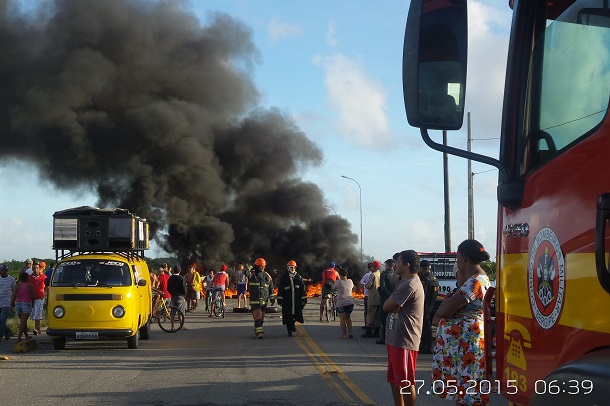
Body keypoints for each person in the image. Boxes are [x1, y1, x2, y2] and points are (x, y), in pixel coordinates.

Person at [431, 239, 492, 406]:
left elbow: (444, 310)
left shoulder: (475, 281)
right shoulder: (478, 279)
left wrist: (444, 304)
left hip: (467, 344)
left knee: (469, 392)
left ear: (464, 257)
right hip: (465, 343)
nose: (457, 260)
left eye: (457, 256)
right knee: (465, 392)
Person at [383, 250, 424, 406]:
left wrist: (393, 305)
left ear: (407, 265)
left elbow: (387, 306)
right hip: (395, 339)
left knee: (405, 382)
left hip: (405, 341)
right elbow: (392, 306)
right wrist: (394, 305)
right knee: (394, 380)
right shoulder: (403, 282)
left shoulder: (410, 284)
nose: (395, 264)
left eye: (398, 261)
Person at [276, 260, 307, 336]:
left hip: (296, 302)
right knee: (288, 316)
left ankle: (292, 326)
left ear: (295, 268)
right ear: (287, 268)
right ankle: (289, 331)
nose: (292, 268)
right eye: (290, 267)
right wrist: (280, 299)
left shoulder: (298, 278)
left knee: (296, 315)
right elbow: (280, 289)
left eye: (293, 267)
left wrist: (304, 299)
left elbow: (302, 289)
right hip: (287, 302)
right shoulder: (284, 278)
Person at [247, 258, 275, 339]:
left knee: (261, 318)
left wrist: (272, 298)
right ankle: (260, 333)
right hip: (255, 300)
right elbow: (245, 272)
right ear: (256, 266)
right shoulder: (252, 275)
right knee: (258, 316)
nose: (262, 268)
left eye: (263, 267)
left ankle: (257, 329)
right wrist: (249, 268)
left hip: (264, 300)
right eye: (260, 267)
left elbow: (271, 288)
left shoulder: (267, 276)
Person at [377, 258, 400, 344]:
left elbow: (383, 288)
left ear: (387, 265)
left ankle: (384, 338)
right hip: (396, 299)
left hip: (385, 299)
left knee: (384, 319)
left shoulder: (384, 274)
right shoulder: (398, 275)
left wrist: (390, 296)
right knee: (393, 319)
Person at [418, 259, 439, 353]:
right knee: (427, 325)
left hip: (424, 305)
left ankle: (426, 346)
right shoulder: (434, 278)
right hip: (431, 304)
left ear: (422, 268)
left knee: (425, 326)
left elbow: (422, 294)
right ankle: (428, 345)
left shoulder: (424, 279)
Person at [11, 272, 35, 342]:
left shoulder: (17, 285)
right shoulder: (30, 286)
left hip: (18, 304)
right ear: (27, 278)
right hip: (27, 304)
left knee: (23, 321)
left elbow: (13, 295)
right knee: (23, 322)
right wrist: (33, 304)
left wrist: (11, 304)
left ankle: (27, 336)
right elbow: (33, 297)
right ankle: (19, 338)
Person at [334, 266, 355, 339]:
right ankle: (350, 333)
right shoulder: (350, 281)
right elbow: (352, 287)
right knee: (348, 318)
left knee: (342, 319)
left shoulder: (338, 282)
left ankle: (344, 334)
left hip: (341, 303)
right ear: (347, 274)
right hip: (350, 303)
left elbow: (333, 288)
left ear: (339, 274)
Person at [362, 260, 382, 338]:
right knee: (377, 316)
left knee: (370, 315)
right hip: (379, 298)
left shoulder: (372, 275)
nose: (371, 268)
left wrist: (366, 285)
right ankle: (376, 332)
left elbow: (368, 285)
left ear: (375, 267)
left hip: (372, 297)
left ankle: (368, 331)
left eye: (372, 266)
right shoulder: (380, 274)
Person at [29, 261, 47, 335]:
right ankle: (38, 328)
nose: (35, 270)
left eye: (36, 268)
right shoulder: (30, 277)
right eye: (33, 268)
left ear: (39, 268)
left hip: (40, 297)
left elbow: (47, 286)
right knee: (33, 314)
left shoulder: (43, 277)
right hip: (32, 298)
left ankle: (36, 328)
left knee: (38, 313)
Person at [167, 265, 187, 330]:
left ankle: (172, 326)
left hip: (173, 296)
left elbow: (168, 288)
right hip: (180, 296)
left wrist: (171, 293)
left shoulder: (170, 278)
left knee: (173, 312)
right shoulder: (181, 278)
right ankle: (181, 326)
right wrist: (184, 295)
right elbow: (184, 288)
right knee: (180, 311)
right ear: (180, 271)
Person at [0, 264, 16, 340]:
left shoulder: (11, 279)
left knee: (3, 319)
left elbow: (14, 290)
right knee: (0, 320)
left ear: (6, 271)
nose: (1, 271)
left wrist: (12, 303)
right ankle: (7, 330)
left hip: (6, 302)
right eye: (0, 270)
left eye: (2, 270)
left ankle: (0, 336)